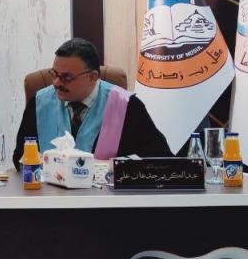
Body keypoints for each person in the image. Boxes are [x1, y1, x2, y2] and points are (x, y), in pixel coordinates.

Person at [13, 38, 170, 168]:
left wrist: (111, 166)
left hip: (105, 194)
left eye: (67, 77)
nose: (56, 83)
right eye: (54, 74)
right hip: (50, 194)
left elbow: (160, 157)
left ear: (92, 77)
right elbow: (19, 157)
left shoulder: (127, 106)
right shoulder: (39, 103)